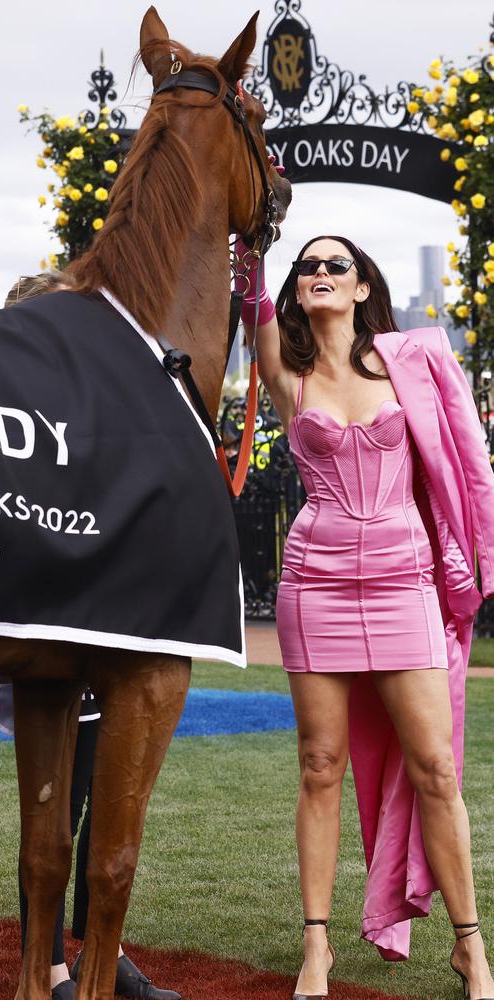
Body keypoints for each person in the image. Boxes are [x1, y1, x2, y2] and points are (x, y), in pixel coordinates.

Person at [237, 234, 494, 1000]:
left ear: (360, 287)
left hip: (405, 582)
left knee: (437, 770)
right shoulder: (287, 373)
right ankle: (316, 947)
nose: (318, 274)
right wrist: (253, 233)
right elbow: (245, 292)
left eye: (334, 266)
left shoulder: (411, 365)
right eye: (307, 267)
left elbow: (464, 460)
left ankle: (470, 946)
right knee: (319, 768)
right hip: (313, 585)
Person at [0, 271, 182, 1000]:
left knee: (112, 806)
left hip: (110, 638)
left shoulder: (96, 410)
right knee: (54, 810)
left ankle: (108, 951)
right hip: (46, 646)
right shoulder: (7, 418)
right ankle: (46, 967)